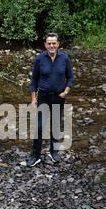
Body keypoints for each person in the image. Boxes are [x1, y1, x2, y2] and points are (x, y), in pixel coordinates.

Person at [27, 32, 74, 167]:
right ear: (45, 45)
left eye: (54, 43)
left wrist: (66, 92)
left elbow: (70, 78)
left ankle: (54, 152)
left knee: (55, 125)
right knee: (40, 126)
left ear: (58, 44)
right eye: (49, 43)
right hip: (43, 97)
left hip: (58, 97)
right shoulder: (39, 59)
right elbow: (34, 80)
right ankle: (35, 155)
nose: (52, 45)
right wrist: (33, 98)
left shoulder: (64, 58)